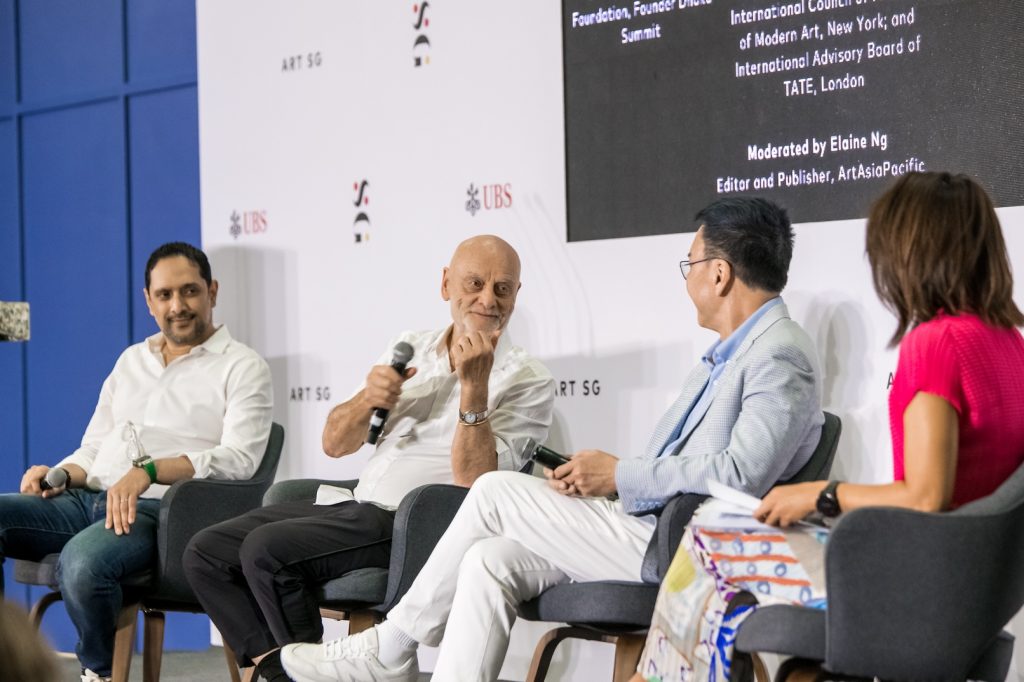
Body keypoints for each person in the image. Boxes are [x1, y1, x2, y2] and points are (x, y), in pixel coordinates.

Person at [279, 197, 825, 682]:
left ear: (719, 274)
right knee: (488, 560)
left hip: (686, 547)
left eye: (690, 264)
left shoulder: (778, 354)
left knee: (493, 490)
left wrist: (620, 475)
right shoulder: (731, 353)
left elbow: (740, 475)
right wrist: (603, 481)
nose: (687, 281)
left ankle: (392, 645)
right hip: (647, 524)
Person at [634, 171, 1024, 681]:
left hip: (916, 584)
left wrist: (821, 495)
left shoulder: (936, 344)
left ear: (909, 249)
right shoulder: (1010, 345)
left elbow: (927, 496)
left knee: (710, 532)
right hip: (975, 592)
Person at [183, 235, 555, 682]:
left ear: (516, 294)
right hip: (357, 506)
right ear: (445, 284)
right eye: (475, 283)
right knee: (206, 552)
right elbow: (335, 443)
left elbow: (478, 483)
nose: (488, 299)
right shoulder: (411, 346)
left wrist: (474, 387)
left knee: (267, 551)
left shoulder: (528, 379)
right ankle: (283, 671)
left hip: (419, 524)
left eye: (502, 288)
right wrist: (367, 400)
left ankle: (305, 672)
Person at [0, 242, 274, 682]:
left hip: (164, 514)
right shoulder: (131, 360)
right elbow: (93, 447)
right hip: (86, 500)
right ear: (149, 301)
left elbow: (240, 460)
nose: (177, 306)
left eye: (189, 291)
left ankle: (99, 673)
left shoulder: (242, 366)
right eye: (165, 295)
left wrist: (150, 471)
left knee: (83, 564)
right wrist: (59, 474)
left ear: (212, 291)